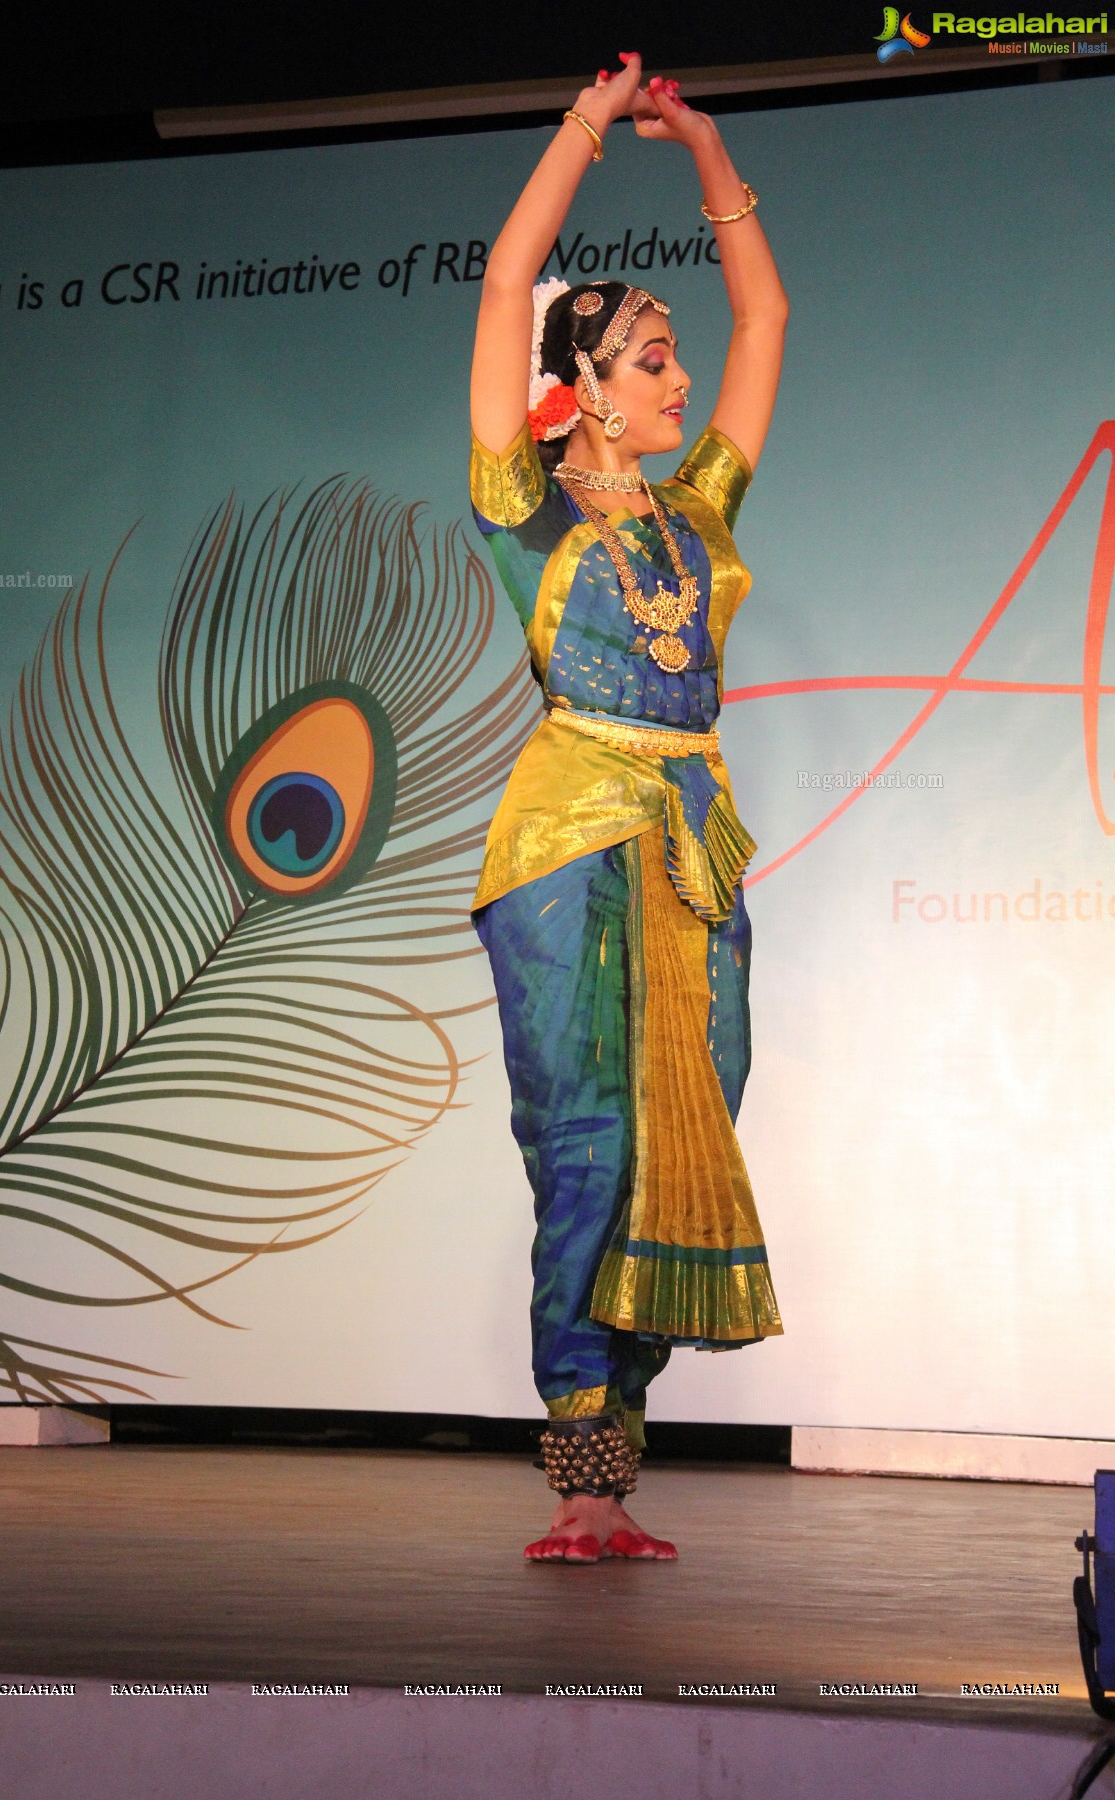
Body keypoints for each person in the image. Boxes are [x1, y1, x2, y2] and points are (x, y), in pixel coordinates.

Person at [469, 54, 788, 1564]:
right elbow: (509, 276)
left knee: (690, 1123)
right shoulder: (524, 508)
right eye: (650, 357)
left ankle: (621, 1462)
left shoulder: (703, 509)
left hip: (690, 839)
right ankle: (583, 1475)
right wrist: (591, 128)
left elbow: (771, 322)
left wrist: (712, 157)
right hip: (566, 836)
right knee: (588, 1138)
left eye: (675, 357)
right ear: (581, 386)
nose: (677, 376)